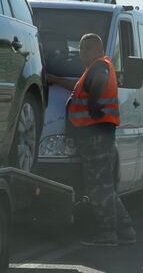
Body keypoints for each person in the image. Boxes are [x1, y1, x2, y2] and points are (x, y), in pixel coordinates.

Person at [47, 33, 135, 247]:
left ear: (99, 50)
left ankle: (108, 234)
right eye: (81, 47)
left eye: (87, 48)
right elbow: (79, 89)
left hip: (94, 135)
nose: (82, 51)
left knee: (98, 189)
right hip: (98, 134)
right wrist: (56, 80)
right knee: (105, 187)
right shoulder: (95, 68)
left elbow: (98, 84)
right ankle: (126, 230)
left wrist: (94, 106)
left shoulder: (99, 67)